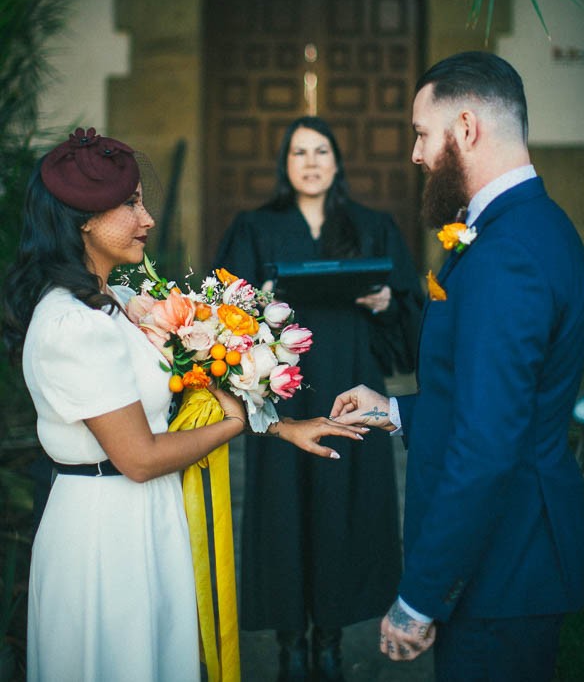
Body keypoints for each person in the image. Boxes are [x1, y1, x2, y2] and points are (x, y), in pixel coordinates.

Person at [2, 127, 365, 682]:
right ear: (83, 220)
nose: (147, 219)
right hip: (105, 531)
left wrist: (279, 425)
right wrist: (235, 425)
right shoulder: (74, 325)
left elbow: (202, 377)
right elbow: (141, 457)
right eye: (130, 205)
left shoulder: (120, 302)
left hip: (147, 514)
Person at [330, 52, 584, 682]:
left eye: (423, 133)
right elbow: (500, 404)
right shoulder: (530, 226)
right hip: (514, 557)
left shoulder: (509, 254)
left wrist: (421, 596)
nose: (418, 154)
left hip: (506, 567)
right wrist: (394, 410)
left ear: (468, 127)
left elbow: (487, 446)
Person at [215, 115, 424, 681]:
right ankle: (290, 645)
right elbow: (221, 312)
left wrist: (386, 303)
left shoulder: (372, 226)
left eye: (321, 151)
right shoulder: (255, 227)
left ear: (337, 161)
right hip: (279, 392)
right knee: (282, 510)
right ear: (285, 164)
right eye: (299, 152)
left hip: (349, 385)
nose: (310, 161)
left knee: (342, 505)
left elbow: (409, 308)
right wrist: (252, 305)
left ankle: (329, 640)